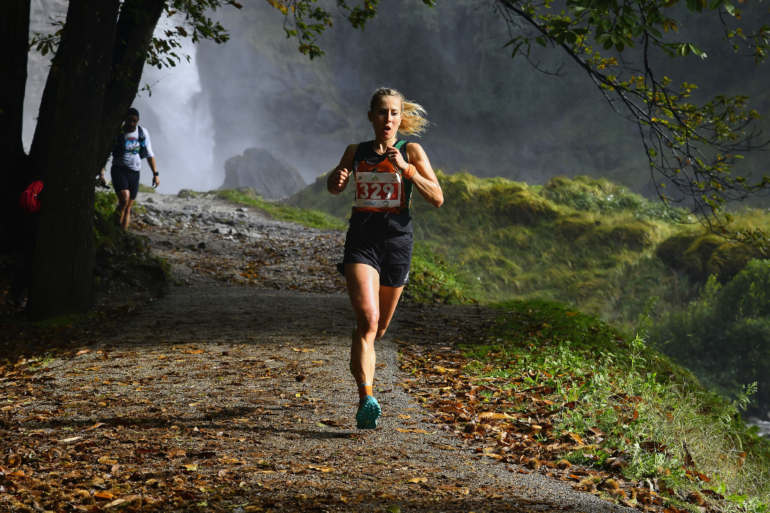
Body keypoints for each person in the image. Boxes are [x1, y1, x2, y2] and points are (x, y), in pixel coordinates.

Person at [327, 87, 444, 429]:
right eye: (381, 112)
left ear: (400, 117)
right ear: (371, 117)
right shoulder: (356, 151)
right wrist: (337, 179)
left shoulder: (411, 151)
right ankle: (366, 398)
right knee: (367, 318)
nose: (387, 119)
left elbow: (437, 197)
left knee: (378, 329)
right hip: (362, 237)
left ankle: (362, 345)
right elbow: (335, 186)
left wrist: (407, 170)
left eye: (393, 113)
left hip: (397, 241)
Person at [110, 107, 159, 229]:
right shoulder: (117, 132)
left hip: (134, 171)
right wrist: (101, 173)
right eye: (129, 120)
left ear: (138, 120)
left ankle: (122, 234)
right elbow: (106, 152)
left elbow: (149, 153)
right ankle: (115, 230)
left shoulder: (143, 133)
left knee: (128, 208)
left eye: (135, 121)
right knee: (124, 200)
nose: (132, 123)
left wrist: (156, 174)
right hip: (119, 169)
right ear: (124, 120)